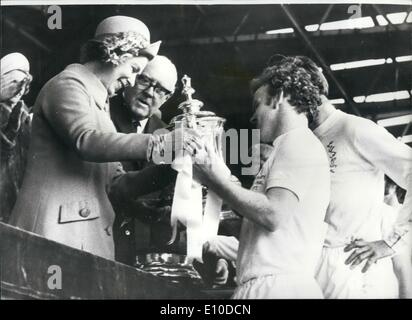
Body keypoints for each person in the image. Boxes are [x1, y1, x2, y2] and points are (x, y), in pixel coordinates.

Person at [9, 16, 197, 260]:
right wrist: (162, 143)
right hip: (52, 233)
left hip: (80, 236)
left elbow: (118, 186)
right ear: (115, 54)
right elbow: (86, 140)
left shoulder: (99, 107)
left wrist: (174, 164)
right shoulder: (67, 84)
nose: (131, 80)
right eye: (134, 70)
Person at [187, 56, 331, 298]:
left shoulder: (298, 142)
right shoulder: (287, 146)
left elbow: (273, 214)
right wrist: (216, 169)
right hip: (269, 285)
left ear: (278, 97)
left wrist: (213, 178)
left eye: (257, 104)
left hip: (277, 288)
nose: (253, 116)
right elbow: (258, 208)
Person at [293, 56, 412, 298]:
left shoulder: (355, 128)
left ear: (303, 94)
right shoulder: (307, 140)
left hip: (354, 269)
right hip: (315, 267)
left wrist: (392, 243)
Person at [109, 55, 178, 264]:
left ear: (167, 97)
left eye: (159, 89)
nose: (149, 93)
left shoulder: (168, 134)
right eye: (145, 81)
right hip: (100, 239)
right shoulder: (100, 114)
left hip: (143, 253)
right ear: (131, 77)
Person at [0, 52, 33, 223]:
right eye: (13, 82)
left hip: (18, 186)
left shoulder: (24, 111)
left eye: (23, 83)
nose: (19, 89)